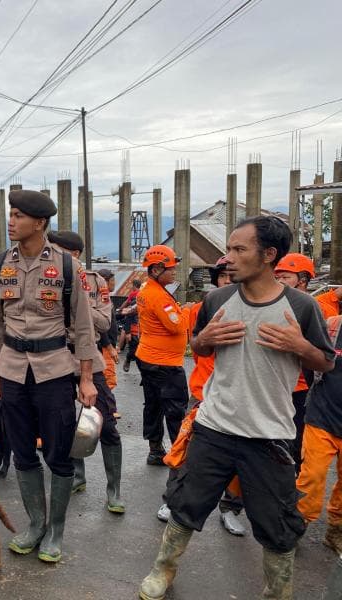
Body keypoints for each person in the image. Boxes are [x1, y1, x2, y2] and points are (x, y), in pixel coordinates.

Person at [138, 216, 335, 600]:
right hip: (214, 427)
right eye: (228, 248)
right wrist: (203, 339)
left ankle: (277, 592)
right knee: (185, 505)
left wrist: (300, 347)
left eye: (238, 250)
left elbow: (325, 362)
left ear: (269, 255)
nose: (227, 258)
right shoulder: (217, 299)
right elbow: (201, 348)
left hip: (270, 435)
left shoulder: (302, 307)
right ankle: (163, 569)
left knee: (277, 524)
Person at [0, 190, 97, 563]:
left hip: (54, 370)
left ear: (40, 223)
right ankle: (35, 524)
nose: (11, 221)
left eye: (18, 216)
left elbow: (83, 327)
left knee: (58, 452)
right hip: (13, 370)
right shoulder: (0, 265)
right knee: (21, 451)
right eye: (10, 214)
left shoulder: (68, 267)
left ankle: (56, 530)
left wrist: (86, 378)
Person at [158, 256, 247, 534]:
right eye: (223, 278)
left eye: (233, 278)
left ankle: (231, 508)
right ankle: (172, 501)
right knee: (185, 451)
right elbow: (196, 346)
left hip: (244, 398)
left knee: (242, 458)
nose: (228, 283)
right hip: (204, 393)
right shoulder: (203, 308)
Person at [48, 230, 124, 514]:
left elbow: (104, 322)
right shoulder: (43, 278)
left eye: (57, 250)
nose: (52, 256)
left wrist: (75, 302)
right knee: (65, 424)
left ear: (75, 255)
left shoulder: (94, 281)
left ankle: (113, 489)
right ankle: (77, 475)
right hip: (53, 360)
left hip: (88, 361)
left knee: (106, 426)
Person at [135, 245, 190, 467]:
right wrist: (187, 310)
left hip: (149, 357)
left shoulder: (147, 290)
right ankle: (179, 455)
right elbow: (176, 326)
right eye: (170, 268)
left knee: (154, 405)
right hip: (164, 363)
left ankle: (155, 450)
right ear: (156, 269)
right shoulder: (158, 296)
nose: (174, 272)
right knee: (175, 408)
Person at [275, 252, 329, 472]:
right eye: (277, 276)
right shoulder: (272, 306)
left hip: (302, 388)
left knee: (296, 442)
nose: (279, 281)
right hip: (275, 385)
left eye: (286, 276)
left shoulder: (315, 310)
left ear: (303, 280)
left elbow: (325, 354)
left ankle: (292, 487)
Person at [297, 314, 342, 554]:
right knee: (312, 476)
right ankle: (296, 525)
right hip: (321, 417)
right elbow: (308, 360)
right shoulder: (332, 325)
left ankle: (335, 530)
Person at [97, 268, 120, 391]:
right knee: (107, 381)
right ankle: (105, 409)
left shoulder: (105, 297)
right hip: (104, 347)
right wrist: (109, 346)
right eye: (112, 280)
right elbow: (101, 327)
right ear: (104, 281)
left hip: (107, 345)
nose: (114, 283)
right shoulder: (101, 299)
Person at [118, 279, 142, 372]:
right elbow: (128, 317)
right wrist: (128, 332)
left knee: (141, 353)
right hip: (133, 330)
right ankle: (128, 359)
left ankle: (144, 375)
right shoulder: (134, 305)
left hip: (143, 332)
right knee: (133, 350)